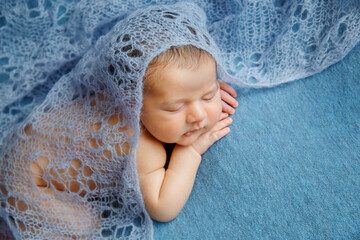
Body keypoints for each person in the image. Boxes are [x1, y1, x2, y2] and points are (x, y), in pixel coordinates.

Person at [136, 45, 238, 222]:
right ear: (135, 103)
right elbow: (162, 208)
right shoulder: (140, 142)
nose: (199, 115)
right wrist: (190, 151)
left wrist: (195, 86)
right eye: (176, 107)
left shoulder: (156, 94)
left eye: (208, 96)